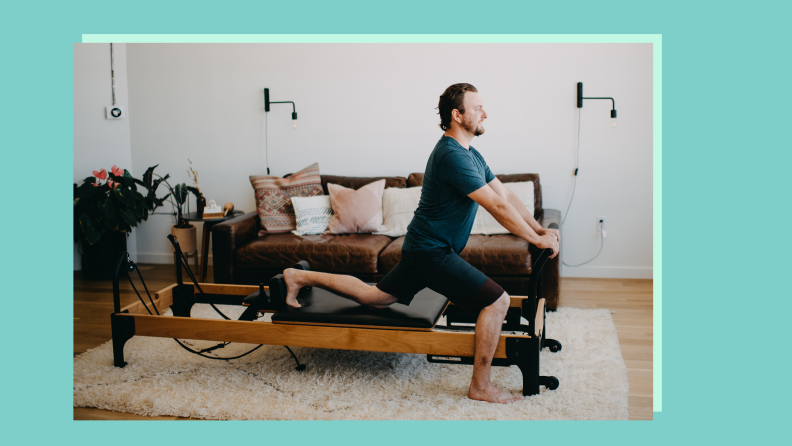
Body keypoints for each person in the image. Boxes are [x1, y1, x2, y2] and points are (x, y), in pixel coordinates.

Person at [282, 83, 560, 404]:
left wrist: (539, 229)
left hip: (423, 248)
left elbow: (506, 195)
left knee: (377, 298)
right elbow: (496, 206)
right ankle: (480, 386)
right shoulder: (451, 155)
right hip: (431, 252)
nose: (486, 113)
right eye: (478, 107)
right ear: (457, 115)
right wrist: (537, 238)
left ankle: (299, 276)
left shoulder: (471, 154)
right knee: (496, 302)